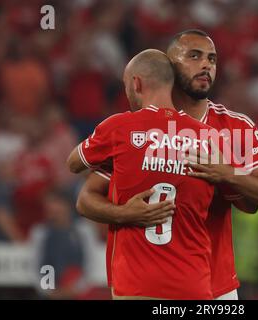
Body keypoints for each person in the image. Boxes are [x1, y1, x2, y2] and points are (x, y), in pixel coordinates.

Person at [68, 29, 258, 300]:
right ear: (169, 67)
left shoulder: (235, 128)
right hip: (145, 284)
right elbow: (87, 197)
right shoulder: (142, 129)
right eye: (194, 56)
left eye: (212, 59)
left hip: (215, 284)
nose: (206, 64)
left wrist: (228, 174)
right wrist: (123, 213)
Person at [69, 49, 224, 299]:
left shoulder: (119, 129)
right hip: (195, 285)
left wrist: (124, 214)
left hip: (137, 285)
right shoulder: (207, 139)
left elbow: (73, 163)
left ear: (136, 83)